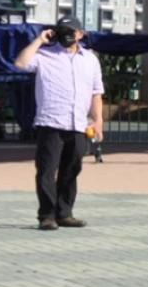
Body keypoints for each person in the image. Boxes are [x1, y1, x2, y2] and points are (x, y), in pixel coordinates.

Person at [13, 15, 104, 231]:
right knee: (46, 171)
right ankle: (46, 215)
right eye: (62, 31)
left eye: (71, 31)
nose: (67, 35)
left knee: (71, 170)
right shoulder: (44, 55)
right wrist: (39, 41)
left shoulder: (90, 59)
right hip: (51, 122)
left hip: (78, 124)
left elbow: (96, 93)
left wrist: (98, 120)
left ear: (81, 34)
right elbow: (20, 64)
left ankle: (64, 213)